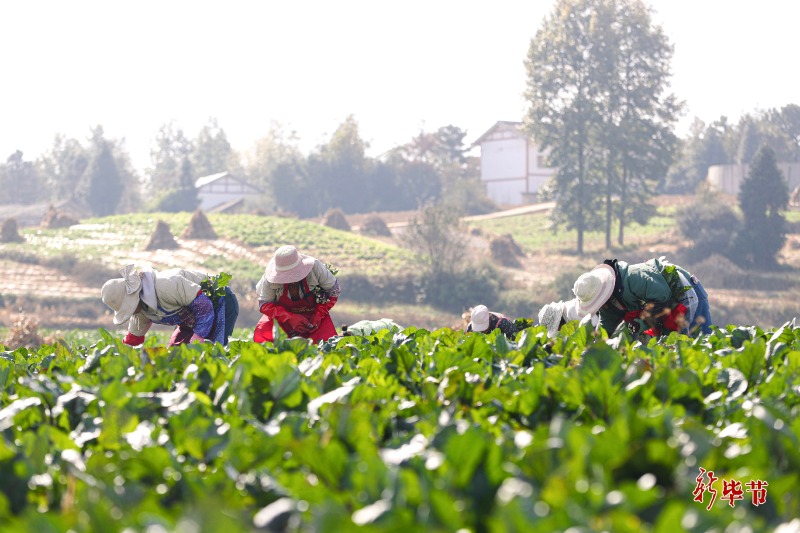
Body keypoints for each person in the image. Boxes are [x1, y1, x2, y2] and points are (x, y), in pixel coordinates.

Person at [572, 257, 712, 338]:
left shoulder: (634, 277)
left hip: (686, 293)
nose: (599, 306)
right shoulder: (608, 305)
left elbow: (662, 299)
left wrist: (638, 323)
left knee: (697, 341)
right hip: (667, 310)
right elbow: (608, 329)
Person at [101, 264, 239, 346]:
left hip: (219, 302)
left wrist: (198, 337)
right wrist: (121, 353)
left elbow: (204, 306)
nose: (131, 311)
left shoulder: (166, 285)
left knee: (211, 353)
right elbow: (134, 336)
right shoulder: (141, 308)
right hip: (191, 319)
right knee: (176, 353)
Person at [254, 245, 341, 343]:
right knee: (264, 340)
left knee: (326, 346)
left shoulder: (315, 268)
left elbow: (333, 291)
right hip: (281, 321)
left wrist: (318, 314)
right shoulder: (269, 278)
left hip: (314, 319)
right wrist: (289, 317)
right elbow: (264, 304)